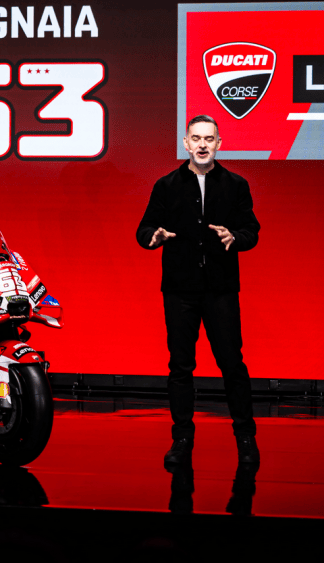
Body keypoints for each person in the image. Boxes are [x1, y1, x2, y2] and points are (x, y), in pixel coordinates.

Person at [136, 114, 261, 466]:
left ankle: (246, 437)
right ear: (186, 143)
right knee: (180, 366)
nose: (202, 144)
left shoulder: (236, 185)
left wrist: (236, 238)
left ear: (219, 144)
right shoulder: (166, 185)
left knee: (232, 363)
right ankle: (181, 439)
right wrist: (154, 237)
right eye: (196, 138)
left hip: (221, 290)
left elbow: (252, 230)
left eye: (209, 138)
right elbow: (144, 229)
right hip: (180, 290)